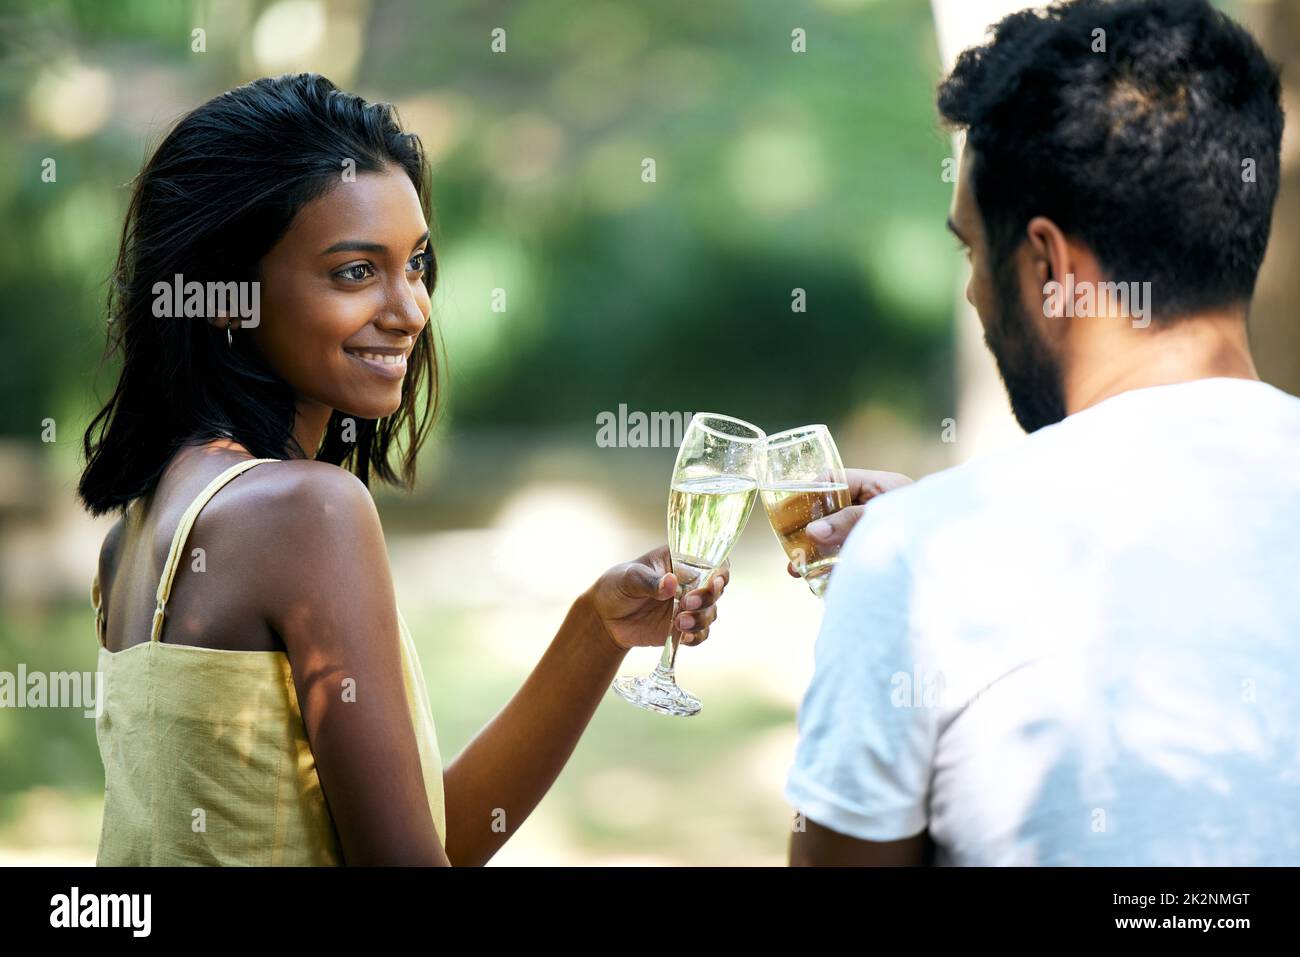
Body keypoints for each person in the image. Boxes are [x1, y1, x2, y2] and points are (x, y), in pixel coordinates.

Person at [79, 73, 729, 866]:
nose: (411, 308)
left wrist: (596, 631)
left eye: (416, 263)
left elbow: (428, 834)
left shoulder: (136, 534)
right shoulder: (307, 511)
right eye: (356, 271)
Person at [783, 0, 1300, 865]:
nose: (975, 295)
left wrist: (927, 564)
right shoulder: (928, 551)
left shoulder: (916, 564)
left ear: (1050, 266)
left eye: (971, 252)